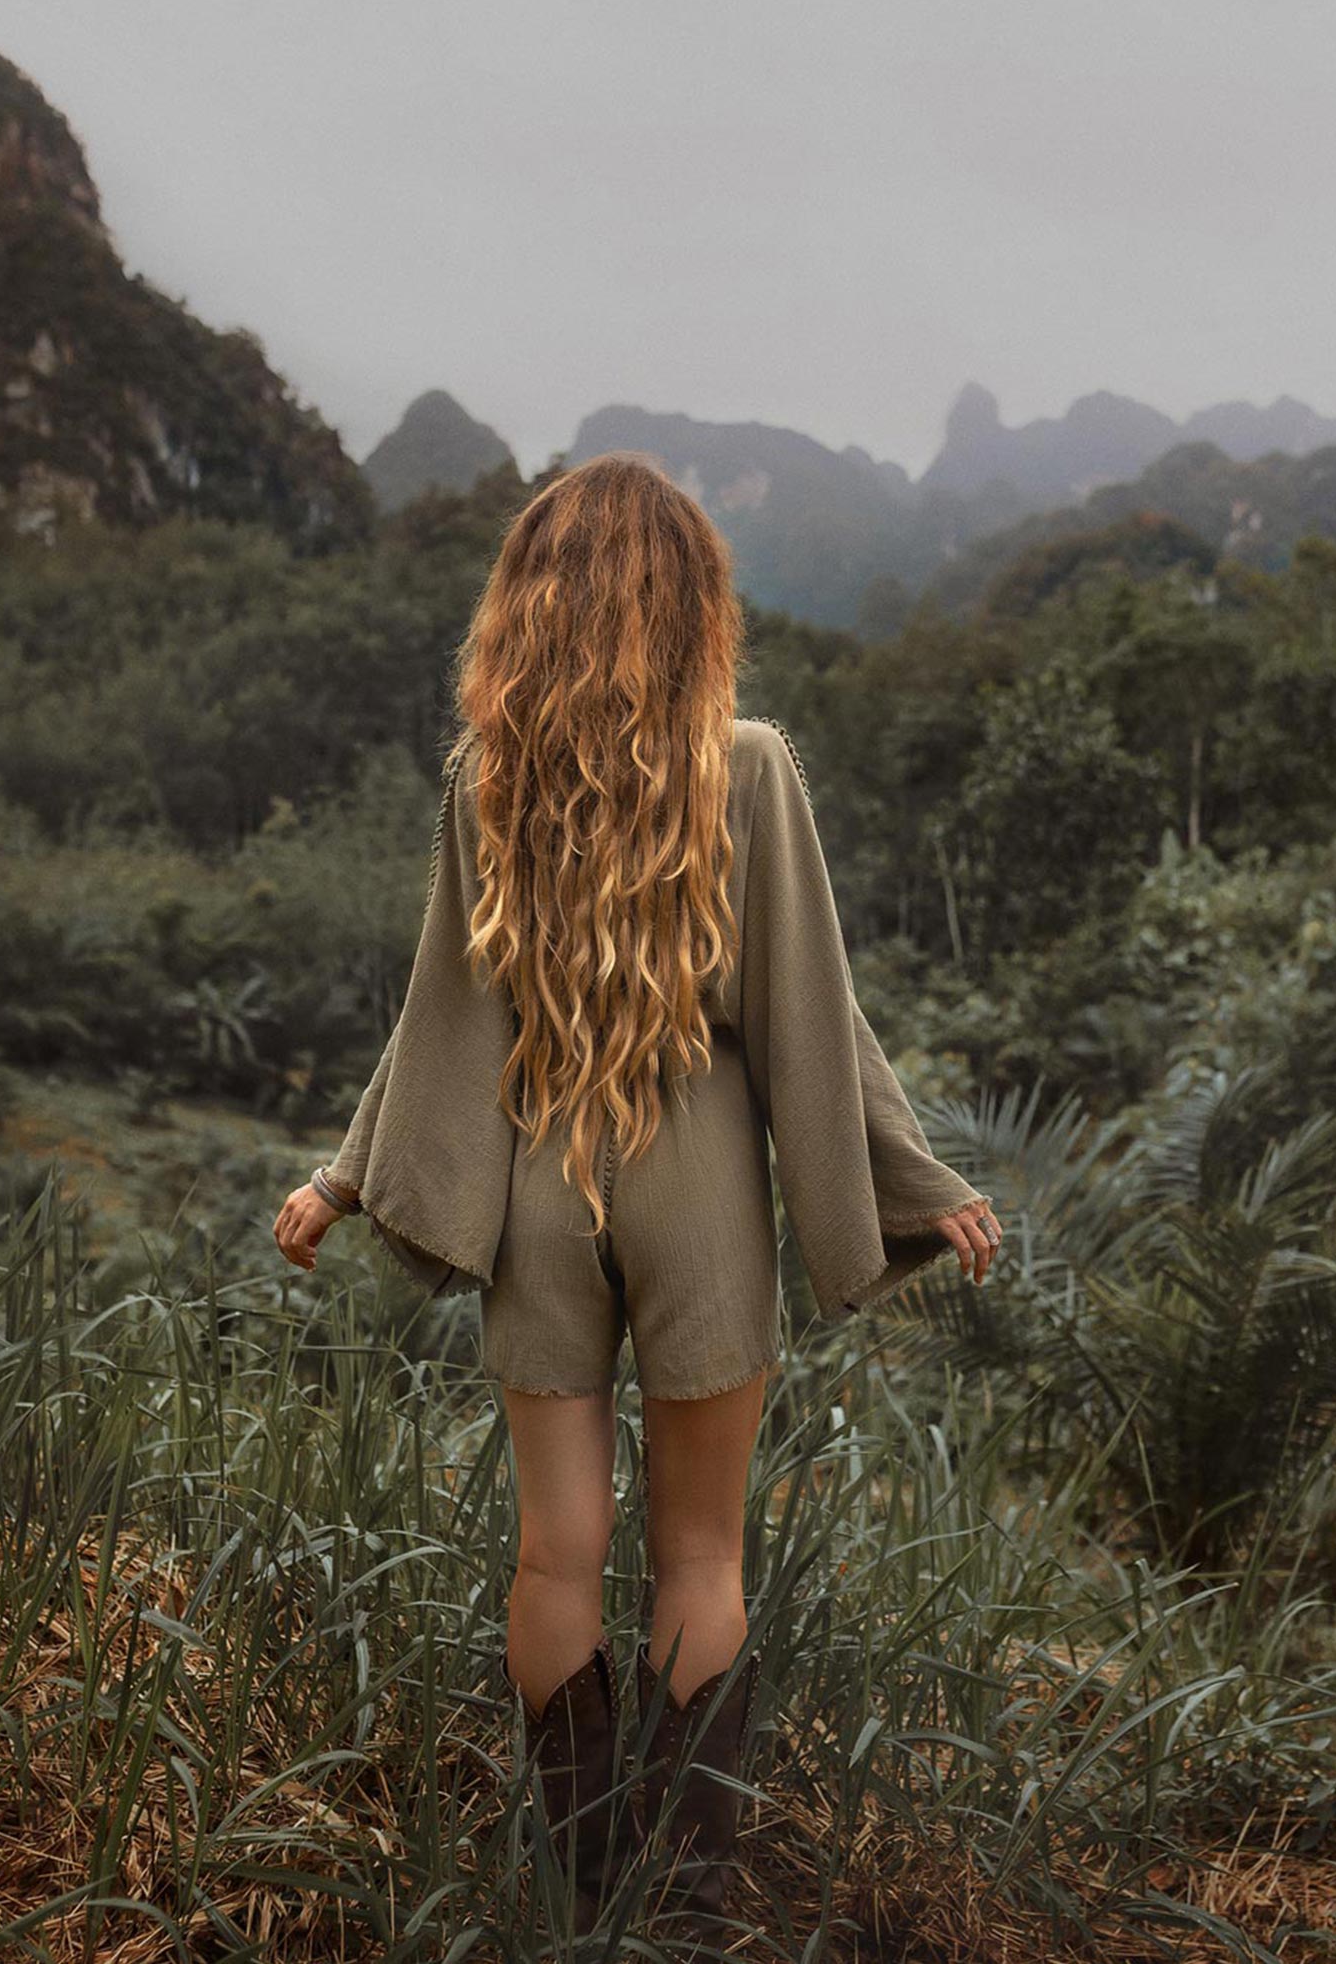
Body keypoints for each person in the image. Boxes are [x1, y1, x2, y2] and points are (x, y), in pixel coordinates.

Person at [268, 452, 1001, 1934]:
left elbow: (439, 1019)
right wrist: (916, 1179)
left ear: (531, 603)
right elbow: (812, 1011)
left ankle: (580, 1881)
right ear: (692, 607)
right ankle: (687, 1906)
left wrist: (345, 1175)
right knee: (702, 1551)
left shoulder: (490, 777)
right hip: (702, 1190)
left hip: (542, 1184)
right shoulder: (749, 765)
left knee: (555, 1551)